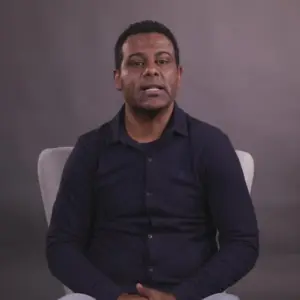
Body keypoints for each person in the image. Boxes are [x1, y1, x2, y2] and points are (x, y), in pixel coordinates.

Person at [46, 20, 259, 300]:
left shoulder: (211, 144)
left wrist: (181, 296)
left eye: (163, 60)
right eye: (136, 63)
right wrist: (114, 296)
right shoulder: (91, 149)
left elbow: (242, 242)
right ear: (118, 77)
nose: (151, 69)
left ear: (178, 75)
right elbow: (61, 246)